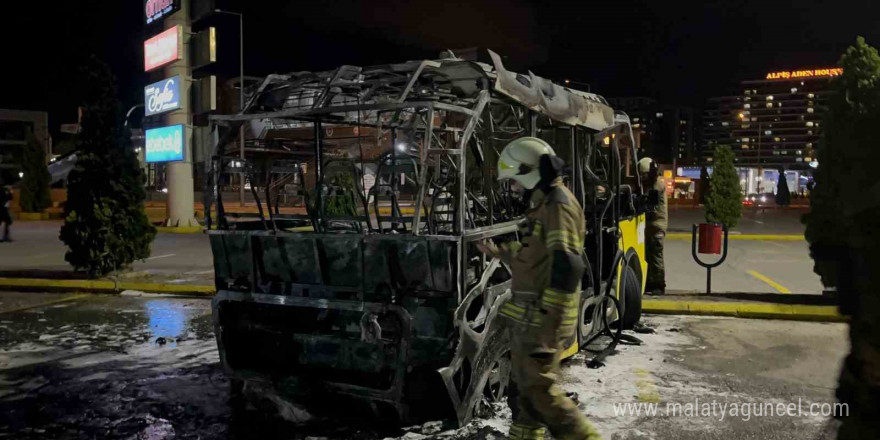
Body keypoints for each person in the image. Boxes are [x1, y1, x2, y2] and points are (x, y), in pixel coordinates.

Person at [477, 137, 601, 440]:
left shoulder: (559, 205)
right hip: (532, 316)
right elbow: (537, 255)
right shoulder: (545, 203)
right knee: (524, 394)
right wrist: (501, 252)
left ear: (527, 173)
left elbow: (568, 265)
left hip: (544, 319)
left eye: (515, 182)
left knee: (541, 393)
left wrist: (548, 317)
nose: (514, 189)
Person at [638, 157, 667, 295]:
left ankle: (659, 285)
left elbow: (651, 207)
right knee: (649, 256)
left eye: (643, 175)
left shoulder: (657, 185)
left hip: (657, 226)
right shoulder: (653, 184)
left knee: (656, 257)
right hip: (651, 226)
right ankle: (650, 282)